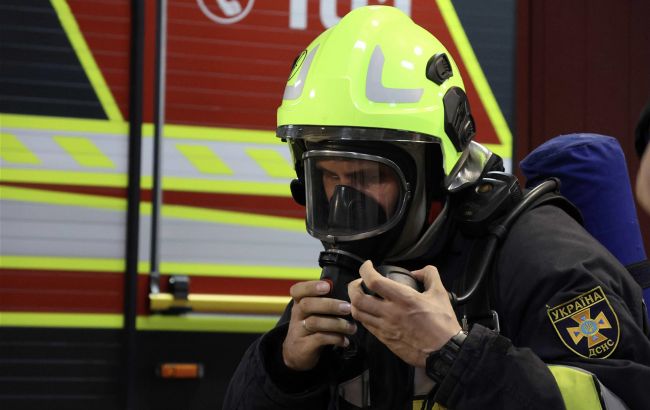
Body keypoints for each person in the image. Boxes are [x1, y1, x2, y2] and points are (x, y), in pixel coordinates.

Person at [224, 6, 650, 409]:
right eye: (329, 177)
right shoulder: (356, 272)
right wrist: (285, 369)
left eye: (367, 177)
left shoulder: (542, 260)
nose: (345, 202)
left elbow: (622, 400)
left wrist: (456, 356)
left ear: (433, 171)